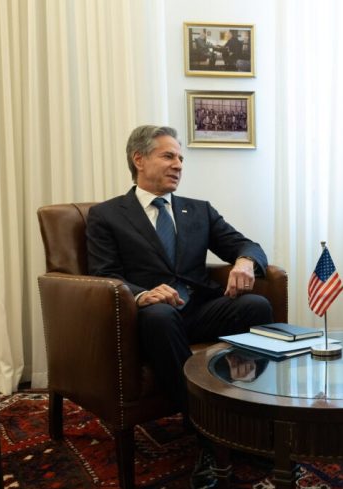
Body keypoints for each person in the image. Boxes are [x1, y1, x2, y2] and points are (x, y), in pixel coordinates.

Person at [86, 125, 273, 489]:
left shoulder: (198, 210)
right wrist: (141, 294)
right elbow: (104, 274)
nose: (178, 165)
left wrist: (245, 261)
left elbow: (246, 244)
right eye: (168, 156)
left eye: (181, 158)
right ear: (139, 159)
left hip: (199, 310)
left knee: (256, 305)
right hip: (149, 317)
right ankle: (208, 435)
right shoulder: (107, 215)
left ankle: (250, 417)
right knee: (160, 316)